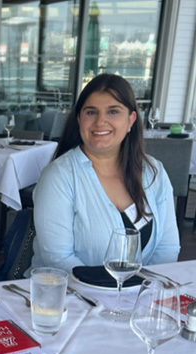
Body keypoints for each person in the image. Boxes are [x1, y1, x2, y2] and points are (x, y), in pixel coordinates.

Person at [31, 74, 179, 273]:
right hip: (71, 290)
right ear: (79, 119)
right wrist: (112, 288)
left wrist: (143, 286)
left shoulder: (153, 172)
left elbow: (167, 247)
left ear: (131, 119)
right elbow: (58, 258)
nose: (100, 121)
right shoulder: (58, 177)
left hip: (142, 290)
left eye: (113, 111)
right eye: (91, 112)